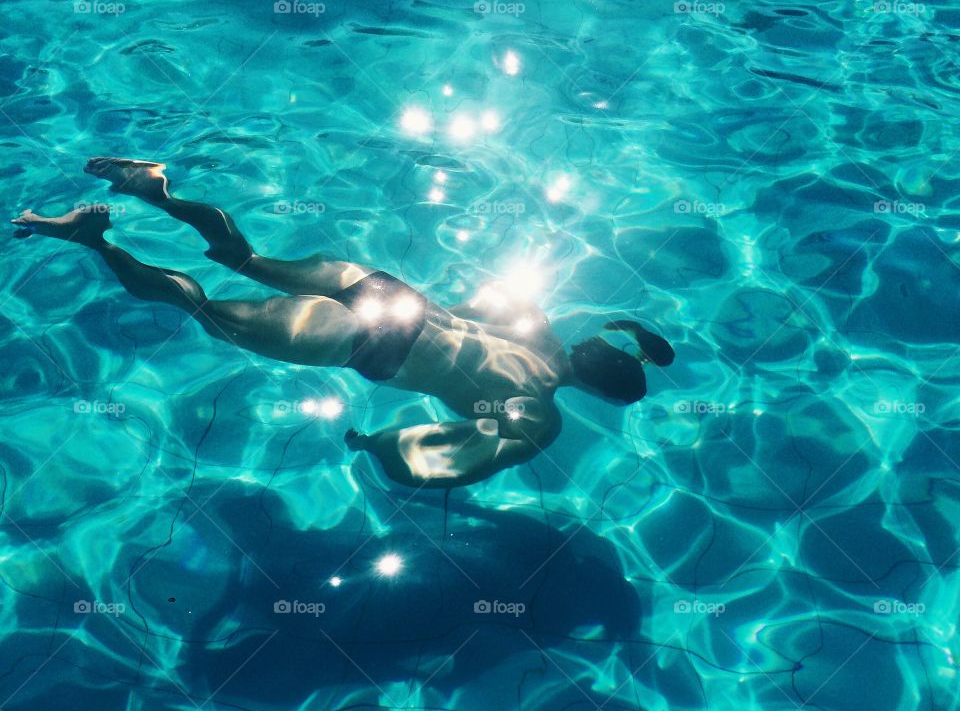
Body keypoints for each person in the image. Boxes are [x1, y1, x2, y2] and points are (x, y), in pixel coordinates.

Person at [12, 158, 675, 488]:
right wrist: (377, 446)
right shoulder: (540, 417)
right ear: (596, 392)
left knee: (245, 257)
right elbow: (446, 459)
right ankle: (93, 242)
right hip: (375, 346)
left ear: (598, 346)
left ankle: (159, 189)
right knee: (207, 313)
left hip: (389, 294)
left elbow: (466, 306)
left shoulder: (532, 318)